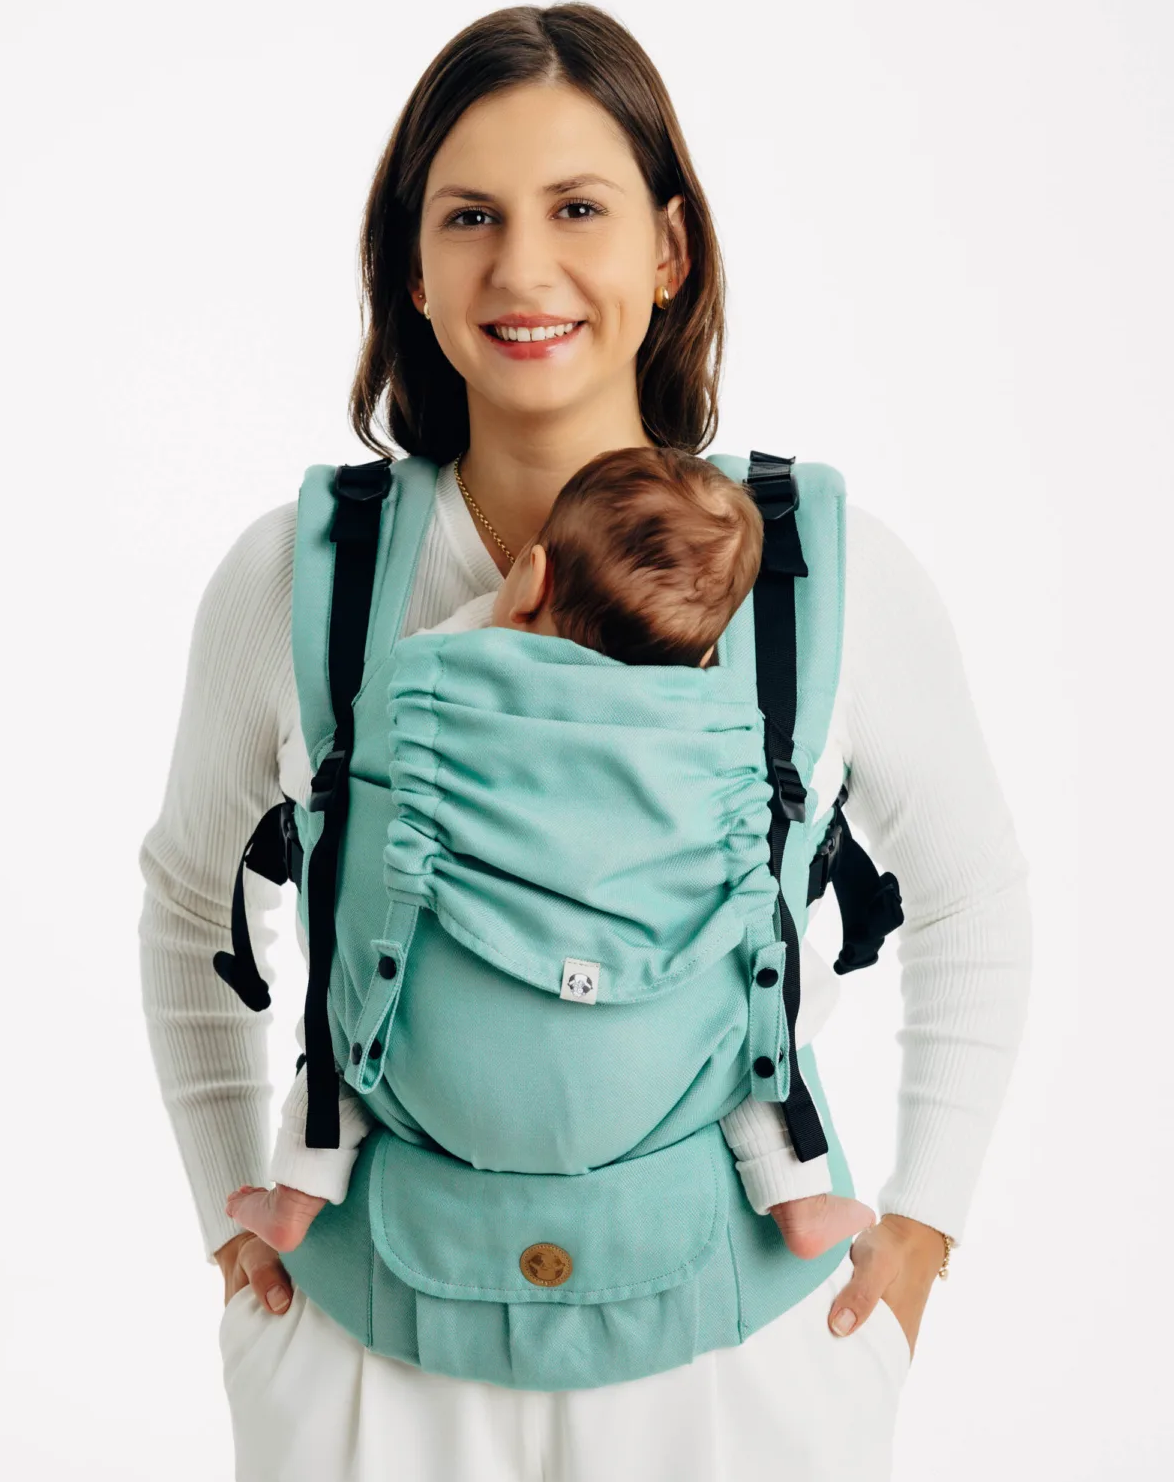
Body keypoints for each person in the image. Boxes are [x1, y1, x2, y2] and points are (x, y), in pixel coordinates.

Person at [137, 1, 1032, 1482]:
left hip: (733, 1359)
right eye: (469, 216)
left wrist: (923, 1233)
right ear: (410, 270)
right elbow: (190, 901)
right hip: (372, 1359)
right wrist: (227, 1223)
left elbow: (973, 890)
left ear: (669, 249)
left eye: (578, 208)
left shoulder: (811, 569)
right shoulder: (299, 577)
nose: (523, 268)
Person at [222, 443, 877, 1265]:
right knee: (753, 1018)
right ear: (706, 650)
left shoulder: (442, 660)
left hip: (430, 1058)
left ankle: (297, 1192)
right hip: (657, 1048)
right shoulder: (708, 718)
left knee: (345, 1032)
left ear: (530, 578)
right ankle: (798, 1197)